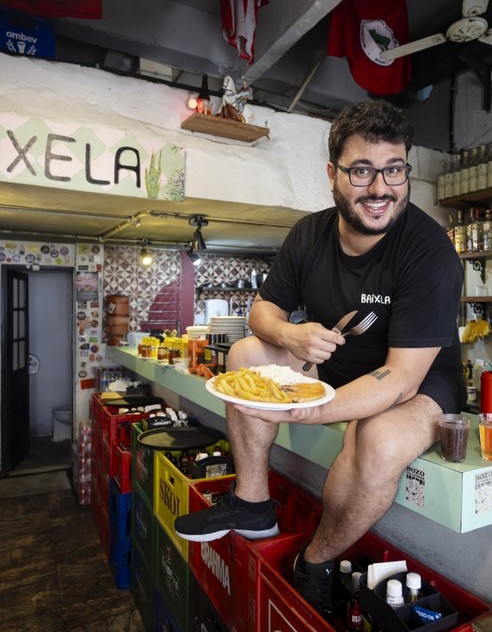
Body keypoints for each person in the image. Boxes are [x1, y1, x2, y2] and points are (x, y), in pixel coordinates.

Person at [175, 99, 464, 613]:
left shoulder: (429, 251)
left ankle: (318, 560)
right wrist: (290, 334)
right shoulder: (310, 234)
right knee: (244, 355)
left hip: (419, 383)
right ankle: (252, 503)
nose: (380, 188)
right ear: (333, 174)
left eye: (394, 170)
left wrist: (305, 410)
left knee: (377, 439)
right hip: (337, 368)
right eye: (362, 171)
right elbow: (261, 312)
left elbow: (400, 378)